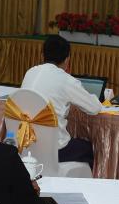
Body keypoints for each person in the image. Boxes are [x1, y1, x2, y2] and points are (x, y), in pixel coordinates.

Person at [19, 34, 102, 167]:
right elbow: (95, 108)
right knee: (89, 148)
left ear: (42, 55)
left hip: (26, 144)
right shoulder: (66, 80)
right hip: (55, 149)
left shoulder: (30, 72)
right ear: (67, 59)